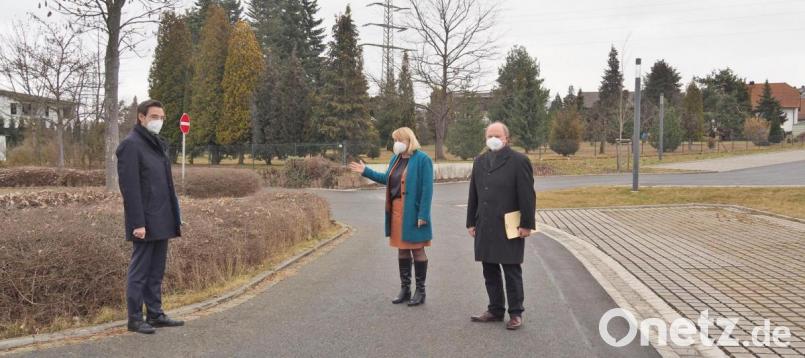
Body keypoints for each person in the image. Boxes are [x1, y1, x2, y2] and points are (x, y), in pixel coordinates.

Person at [116, 99, 184, 334]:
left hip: (162, 217)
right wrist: (137, 223)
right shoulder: (131, 145)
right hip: (144, 221)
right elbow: (130, 188)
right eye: (154, 117)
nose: (159, 122)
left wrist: (175, 214)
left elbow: (164, 184)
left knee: (156, 271)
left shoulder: (156, 144)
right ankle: (134, 318)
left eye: (162, 118)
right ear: (141, 117)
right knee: (140, 272)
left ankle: (155, 314)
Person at [349, 127, 434, 306]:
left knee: (417, 249)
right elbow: (386, 178)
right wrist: (366, 170)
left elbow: (427, 189)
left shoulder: (423, 159)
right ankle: (405, 288)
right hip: (396, 210)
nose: (396, 143)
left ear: (409, 140)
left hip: (413, 211)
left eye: (399, 139)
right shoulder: (395, 159)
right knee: (402, 249)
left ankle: (420, 291)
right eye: (395, 140)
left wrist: (423, 214)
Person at [466, 122, 536, 330]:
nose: (493, 139)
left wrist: (527, 224)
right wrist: (471, 221)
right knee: (489, 269)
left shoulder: (519, 161)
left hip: (509, 225)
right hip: (485, 223)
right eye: (489, 135)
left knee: (511, 270)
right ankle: (495, 309)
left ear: (507, 138)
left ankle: (515, 313)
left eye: (497, 135)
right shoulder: (479, 161)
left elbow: (527, 196)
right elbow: (474, 194)